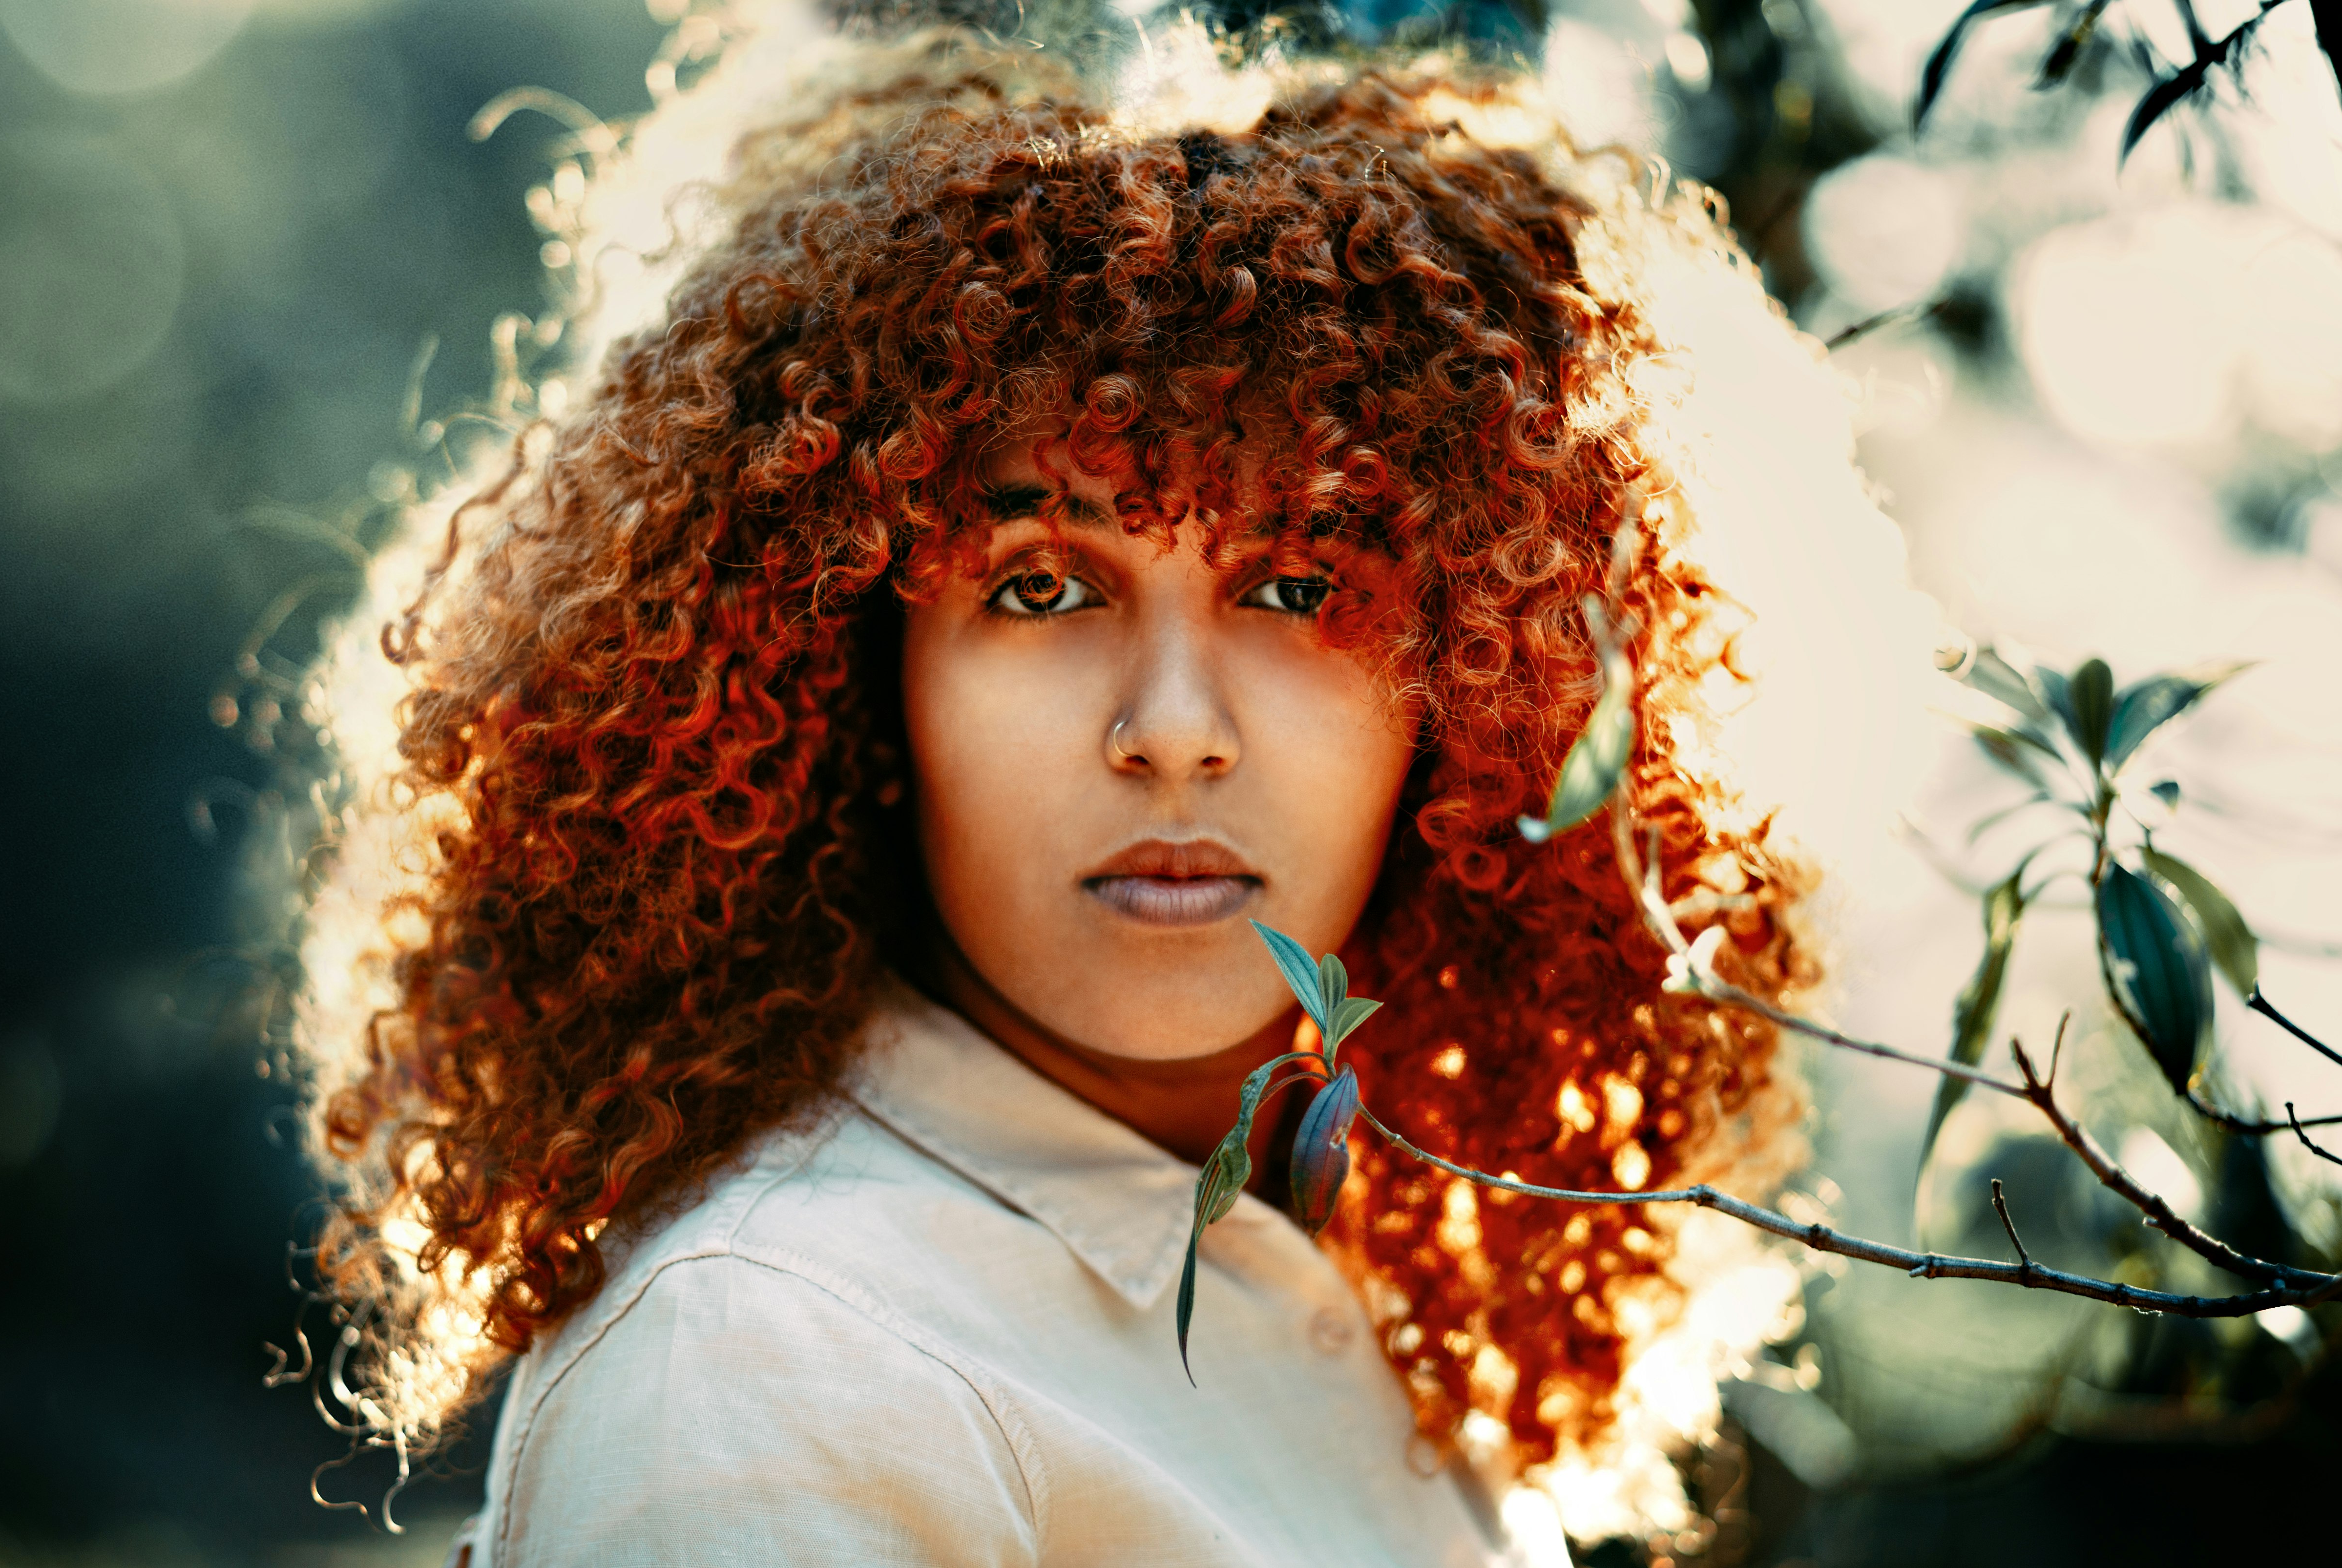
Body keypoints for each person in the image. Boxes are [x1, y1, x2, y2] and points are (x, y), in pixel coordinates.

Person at [295, 11, 1856, 1563]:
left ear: (1488, 685)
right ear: (854, 680)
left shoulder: (1350, 1297)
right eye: (1042, 588)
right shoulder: (770, 1363)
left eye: (1303, 582)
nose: (1173, 730)